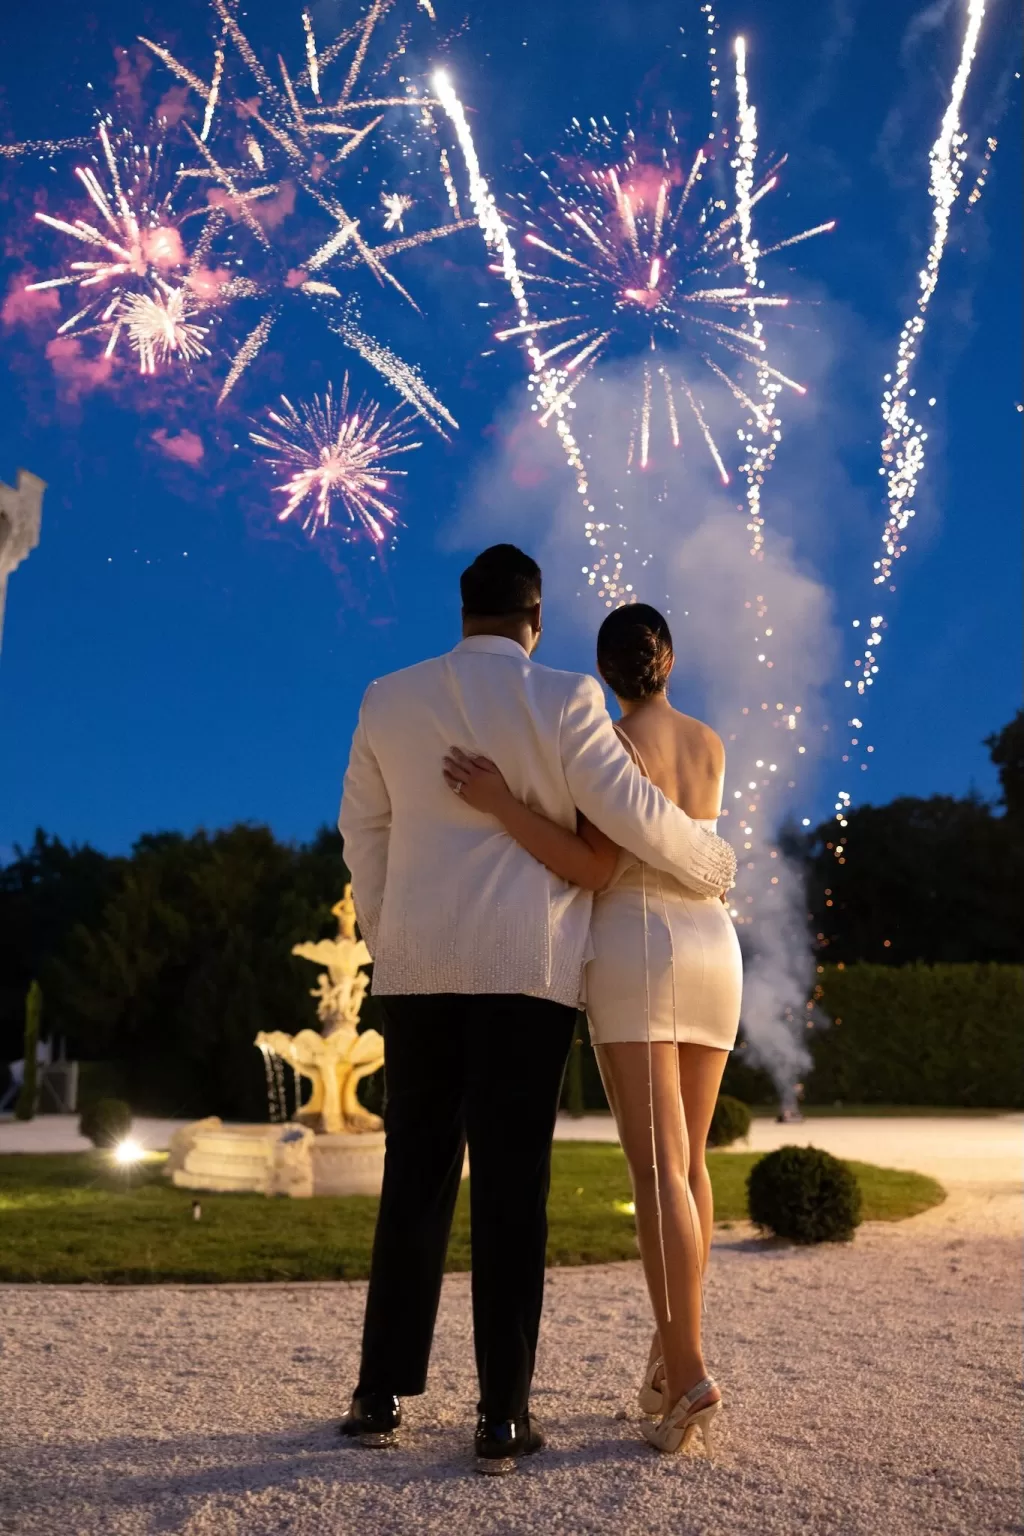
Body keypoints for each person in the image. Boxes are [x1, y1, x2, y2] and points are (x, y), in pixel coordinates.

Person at [339, 547, 736, 1473]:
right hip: (528, 969)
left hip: (419, 969)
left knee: (414, 1180)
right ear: (536, 617)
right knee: (514, 1192)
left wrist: (385, 933)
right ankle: (502, 1417)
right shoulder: (564, 700)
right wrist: (715, 865)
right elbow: (632, 811)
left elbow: (364, 832)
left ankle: (380, 1392)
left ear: (464, 609)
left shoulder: (387, 698)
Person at [442, 602, 742, 1459]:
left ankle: (687, 1372)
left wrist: (500, 803)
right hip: (714, 946)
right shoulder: (711, 743)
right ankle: (670, 1349)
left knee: (654, 1171)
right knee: (689, 1166)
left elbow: (594, 865)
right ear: (670, 662)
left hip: (640, 949)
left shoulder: (606, 747)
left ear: (606, 675)